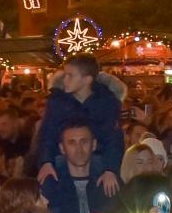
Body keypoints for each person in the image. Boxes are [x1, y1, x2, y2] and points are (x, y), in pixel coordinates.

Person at [32, 55, 126, 187]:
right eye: (65, 75)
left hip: (97, 164)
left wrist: (110, 169)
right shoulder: (57, 102)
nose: (65, 80)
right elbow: (47, 134)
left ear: (87, 80)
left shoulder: (106, 102)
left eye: (70, 75)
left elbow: (112, 138)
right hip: (63, 163)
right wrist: (46, 161)